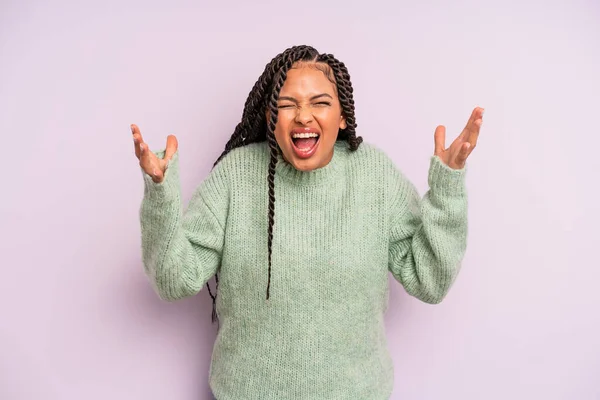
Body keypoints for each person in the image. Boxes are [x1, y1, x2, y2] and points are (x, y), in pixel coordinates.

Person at [130, 45, 483, 400]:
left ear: (342, 116)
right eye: (287, 104)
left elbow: (431, 281)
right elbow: (174, 279)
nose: (303, 116)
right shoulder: (235, 177)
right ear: (270, 116)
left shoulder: (374, 176)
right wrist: (160, 194)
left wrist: (447, 185)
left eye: (320, 103)